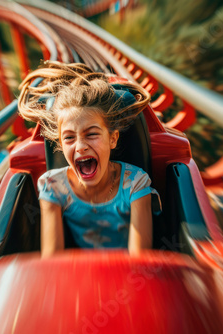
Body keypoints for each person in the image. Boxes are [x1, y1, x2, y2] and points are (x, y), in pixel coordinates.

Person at [18, 61, 161, 257]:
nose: (80, 146)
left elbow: (140, 260)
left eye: (92, 134)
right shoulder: (53, 186)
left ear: (112, 138)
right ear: (60, 145)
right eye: (69, 138)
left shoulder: (135, 184)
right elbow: (51, 260)